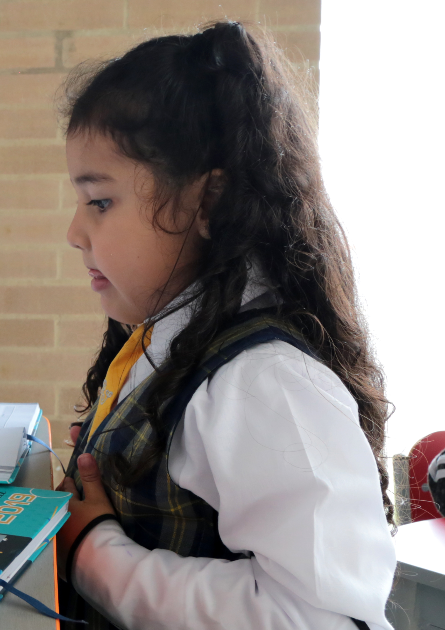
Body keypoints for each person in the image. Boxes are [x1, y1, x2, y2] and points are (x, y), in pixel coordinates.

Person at [51, 22, 396, 630]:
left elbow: (317, 620)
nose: (75, 232)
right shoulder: (170, 337)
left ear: (207, 203)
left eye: (99, 202)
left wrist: (93, 553)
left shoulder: (267, 385)